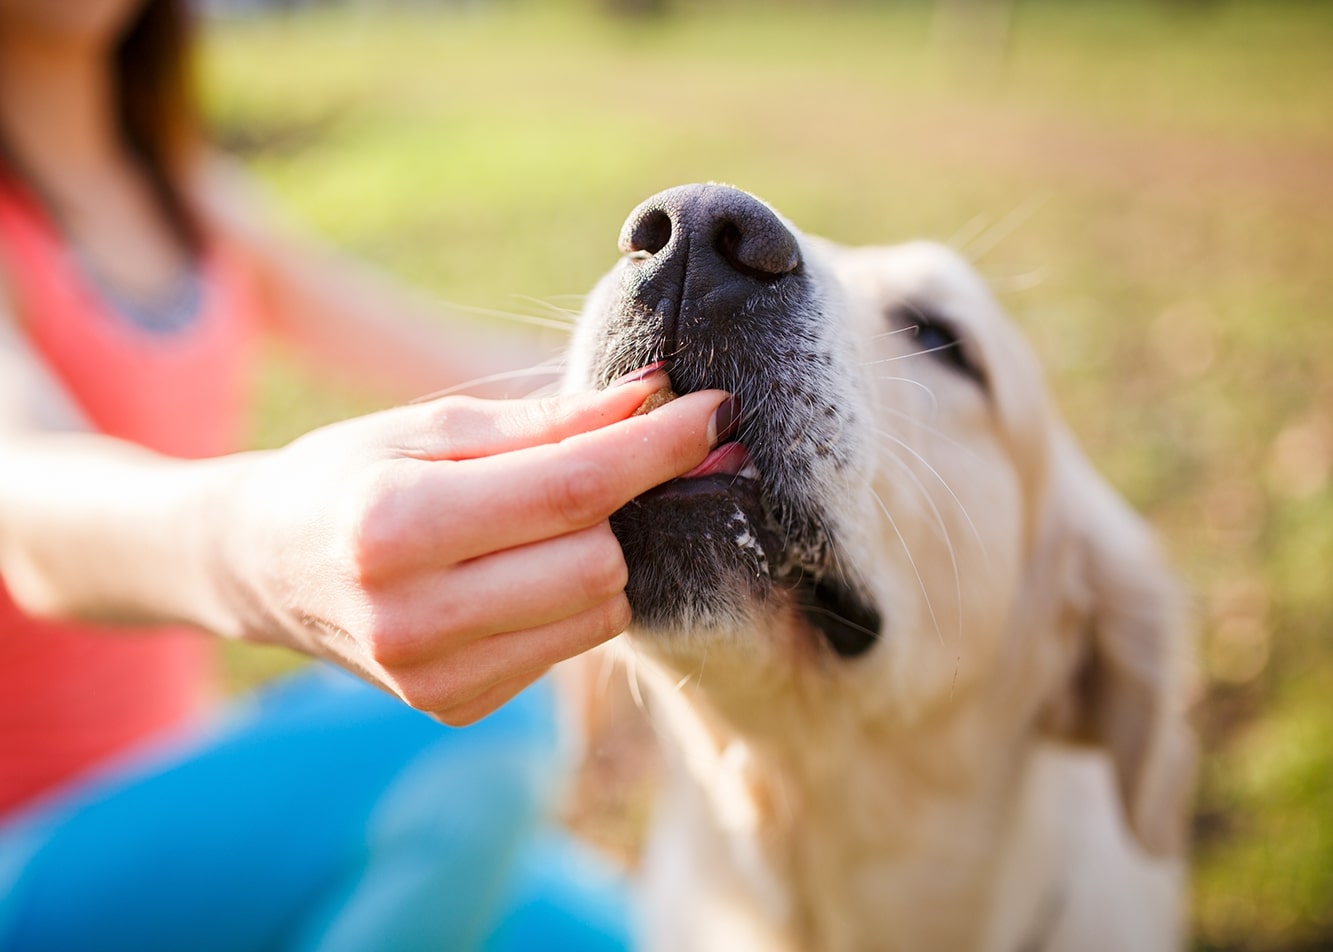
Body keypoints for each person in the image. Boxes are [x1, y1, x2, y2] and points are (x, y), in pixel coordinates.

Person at [0, 1, 732, 948]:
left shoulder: (191, 200)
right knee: (478, 745)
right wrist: (252, 548)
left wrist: (695, 370)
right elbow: (27, 502)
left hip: (197, 796)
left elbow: (458, 357)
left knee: (607, 934)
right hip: (32, 859)